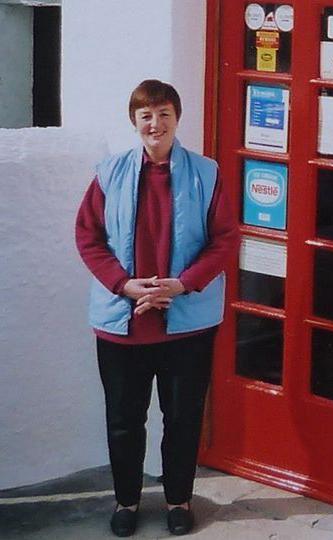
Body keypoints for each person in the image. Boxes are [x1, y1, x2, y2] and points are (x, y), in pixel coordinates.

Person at [75, 79, 238, 537]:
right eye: (146, 115)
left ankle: (178, 501)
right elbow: (88, 236)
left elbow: (225, 239)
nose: (155, 123)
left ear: (177, 119)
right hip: (121, 323)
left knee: (182, 420)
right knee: (124, 421)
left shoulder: (207, 173)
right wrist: (122, 284)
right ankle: (126, 502)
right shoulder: (108, 173)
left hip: (187, 323)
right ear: (134, 122)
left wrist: (183, 284)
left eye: (164, 114)